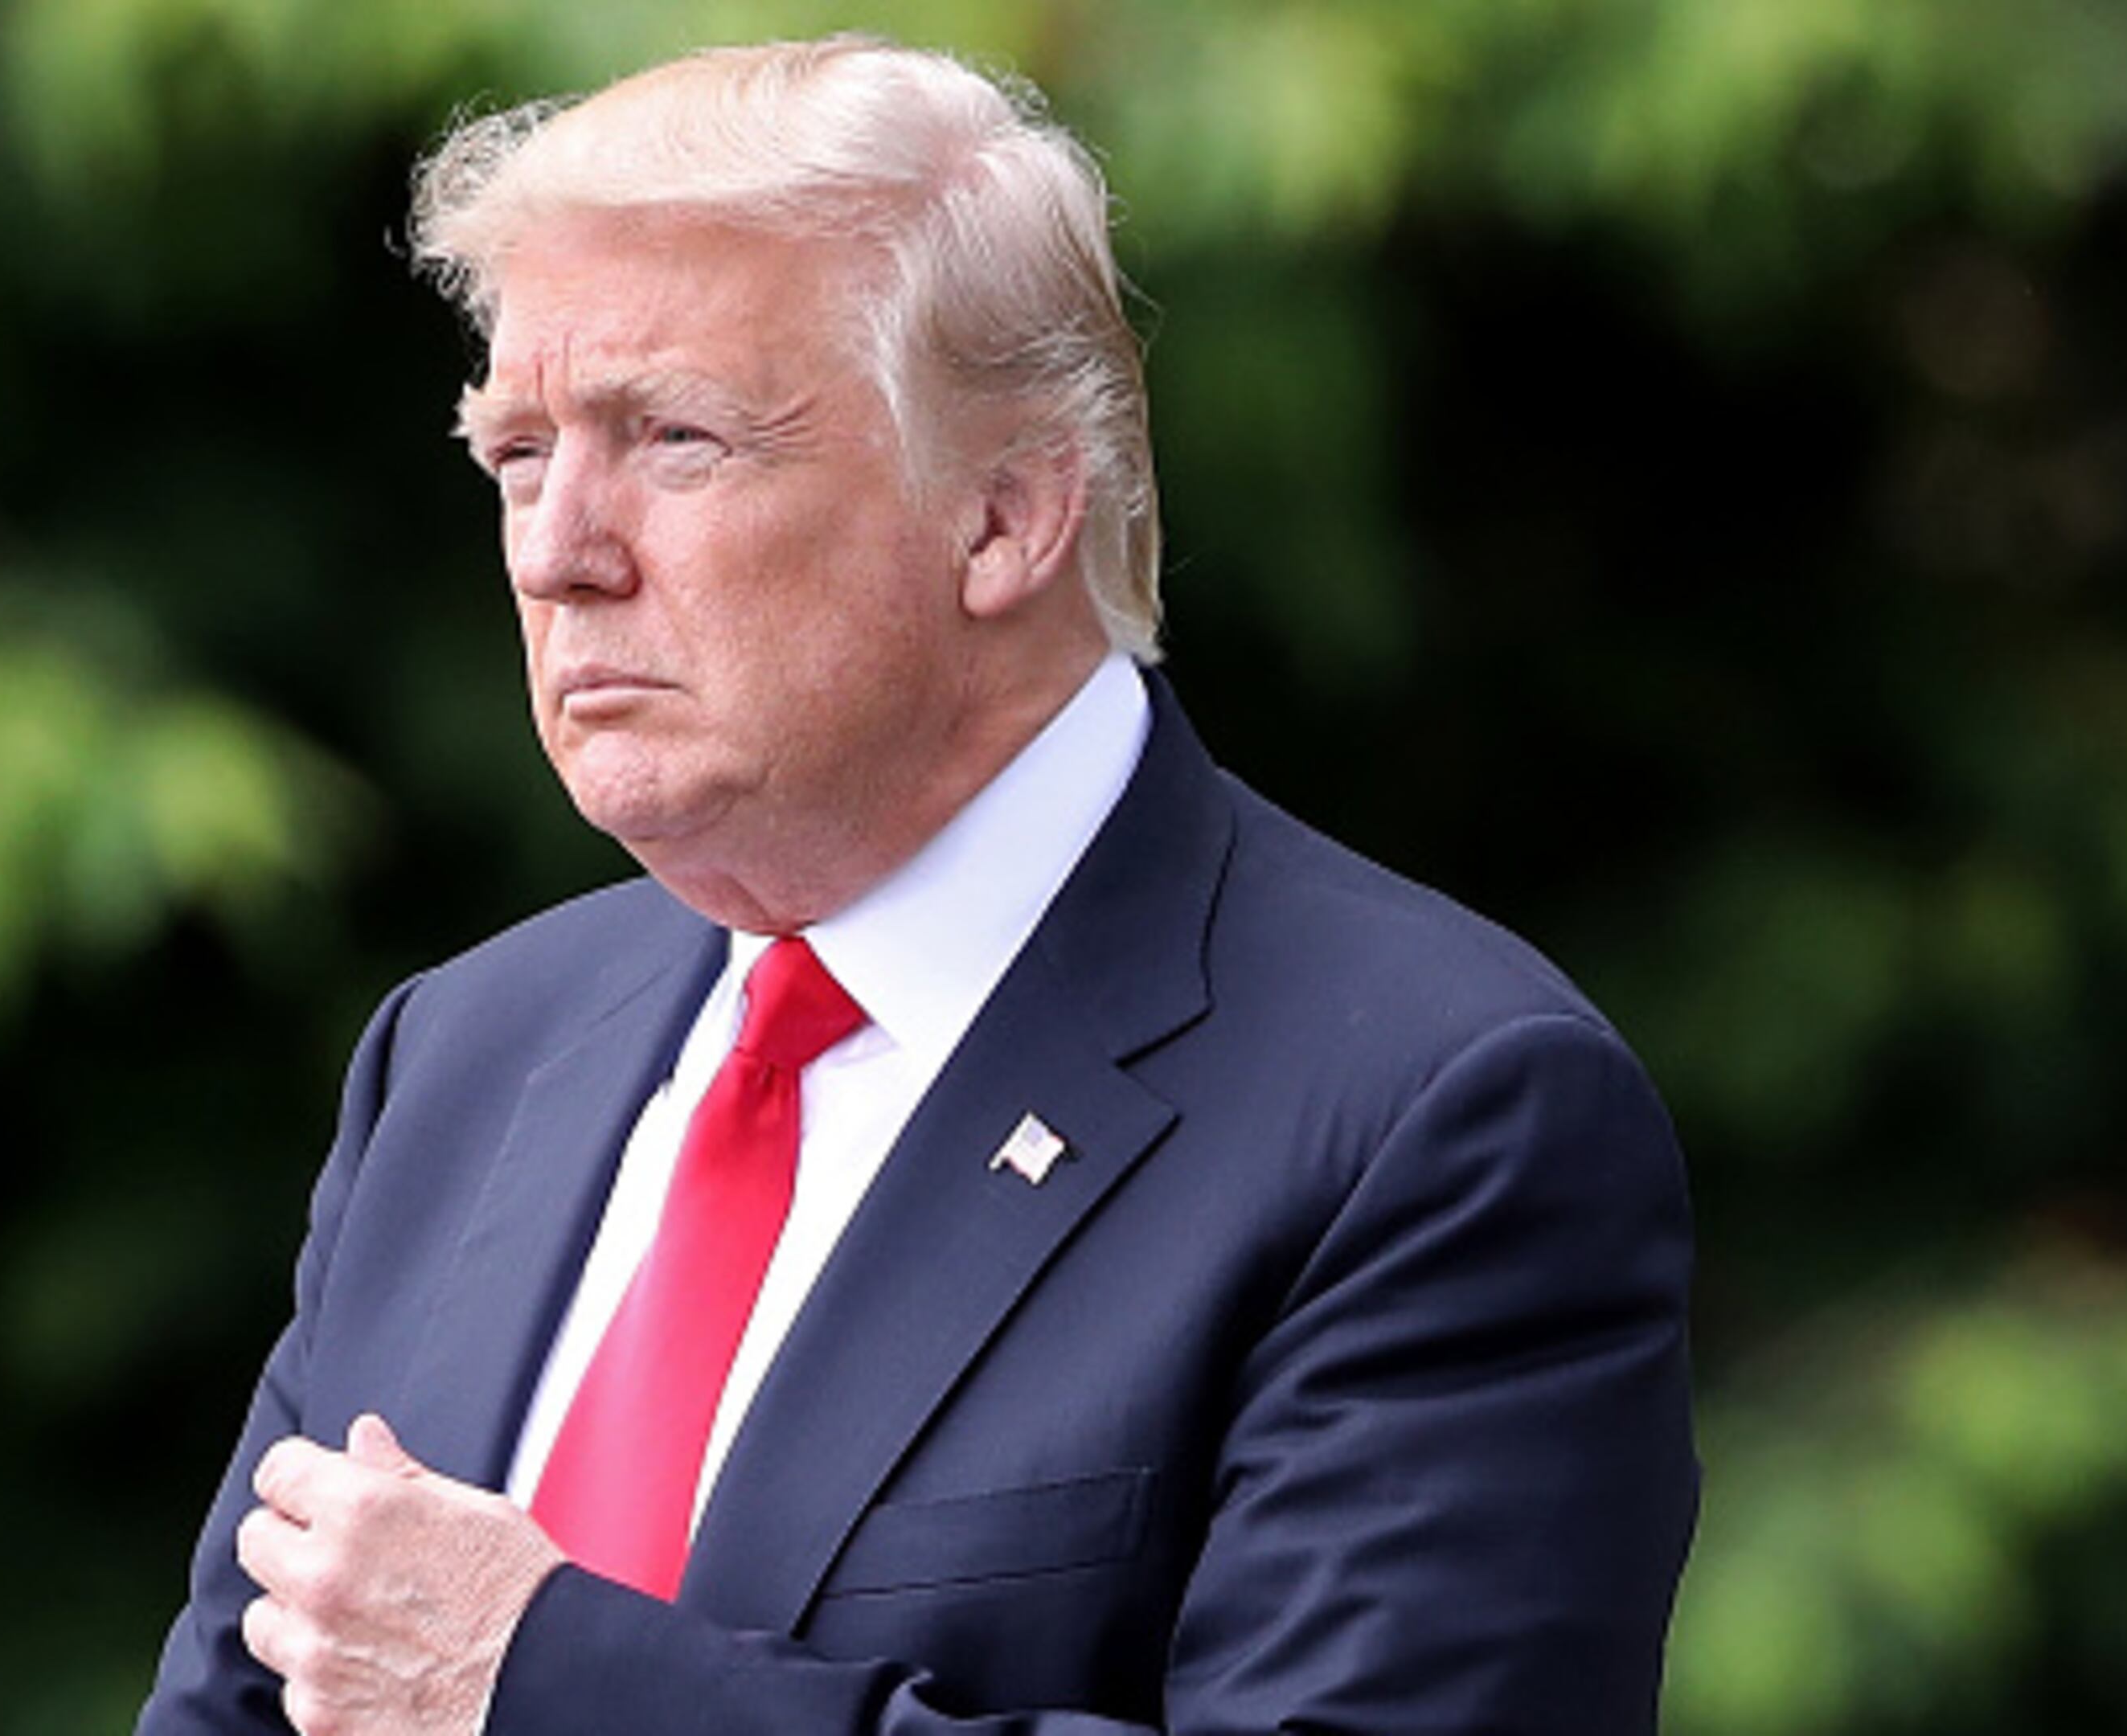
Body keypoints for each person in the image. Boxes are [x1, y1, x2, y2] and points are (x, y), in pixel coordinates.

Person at [137, 35, 1695, 1736]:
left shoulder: (1434, 1111)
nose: (556, 549)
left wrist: (550, 1689)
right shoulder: (465, 1054)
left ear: (1007, 517)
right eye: (518, 454)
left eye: (673, 437)